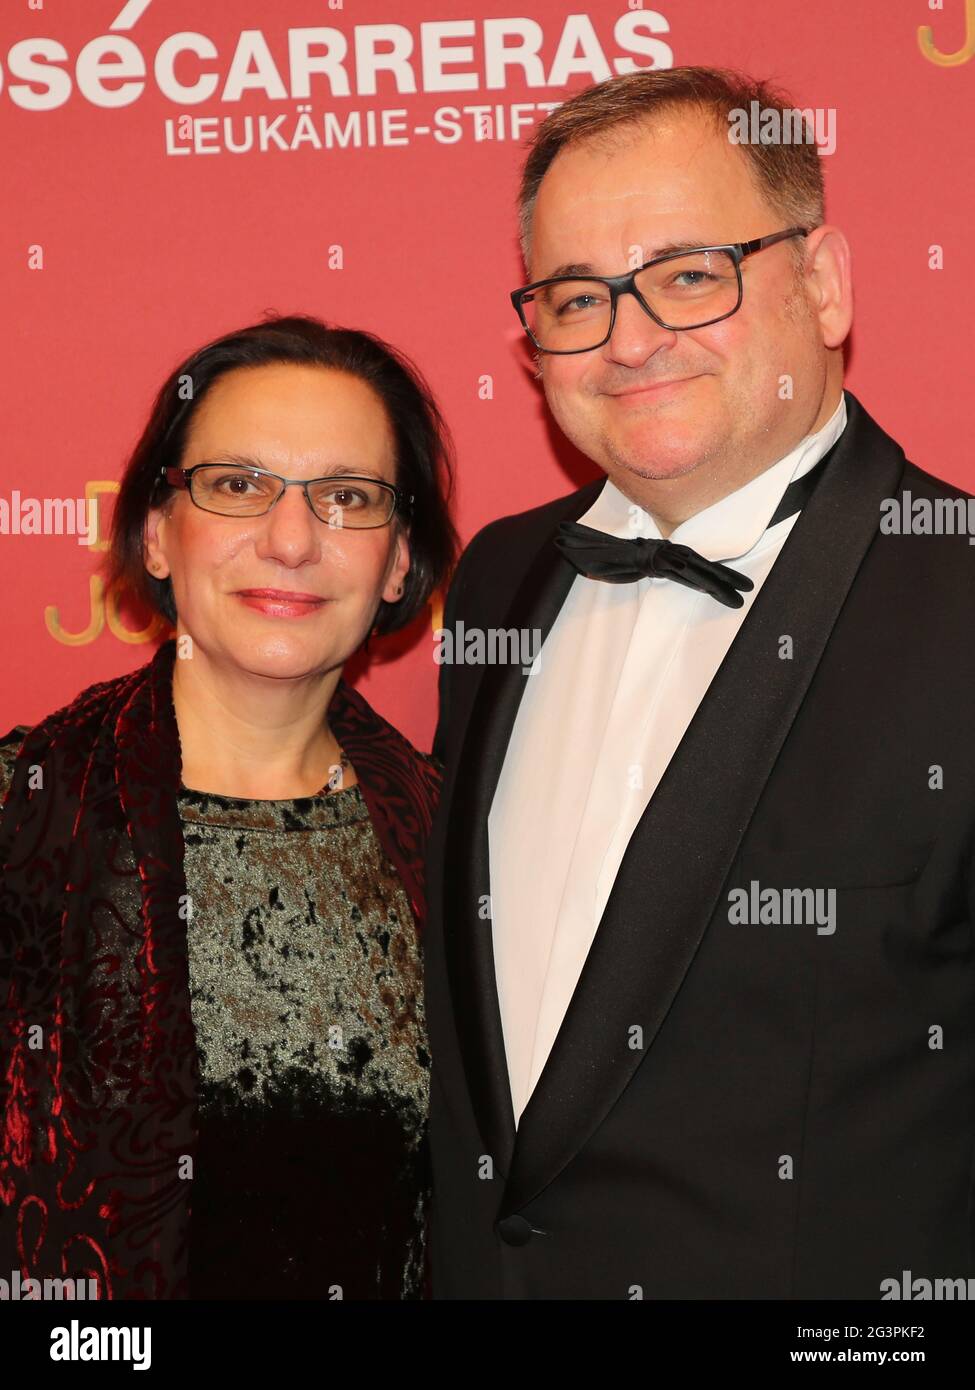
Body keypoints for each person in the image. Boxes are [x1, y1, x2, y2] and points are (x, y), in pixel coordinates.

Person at [424, 66, 975, 1299]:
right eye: (576, 297)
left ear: (823, 284)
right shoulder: (500, 579)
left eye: (687, 274)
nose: (627, 340)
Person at [0, 313, 457, 1299]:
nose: (291, 540)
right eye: (239, 485)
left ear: (396, 561)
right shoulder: (21, 812)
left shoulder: (459, 843)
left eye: (346, 496)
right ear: (158, 533)